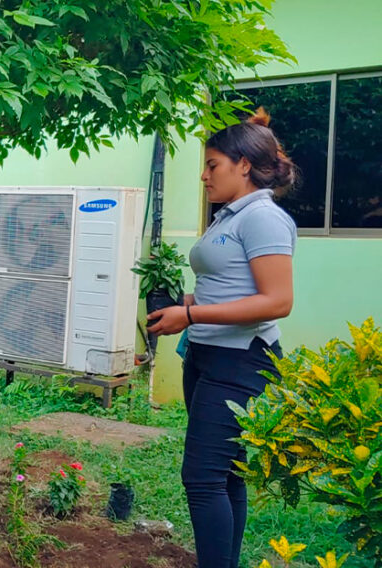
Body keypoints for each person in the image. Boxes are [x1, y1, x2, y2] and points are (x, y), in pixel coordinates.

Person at [147, 108, 297, 568]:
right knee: (227, 475)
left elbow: (277, 301)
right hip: (210, 358)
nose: (204, 175)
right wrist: (186, 301)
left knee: (203, 477)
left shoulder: (263, 218)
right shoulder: (231, 215)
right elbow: (234, 284)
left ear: (244, 166)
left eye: (213, 165)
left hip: (241, 362)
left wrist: (190, 313)